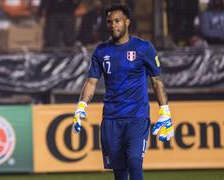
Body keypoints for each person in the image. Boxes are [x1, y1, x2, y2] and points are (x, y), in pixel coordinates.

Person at [72, 4, 174, 180]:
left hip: (137, 118)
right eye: (110, 22)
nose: (113, 25)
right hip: (111, 119)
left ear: (127, 22)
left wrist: (165, 111)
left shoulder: (144, 48)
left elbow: (157, 82)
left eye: (117, 21)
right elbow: (91, 82)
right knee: (119, 173)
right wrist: (81, 106)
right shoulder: (101, 51)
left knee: (135, 161)